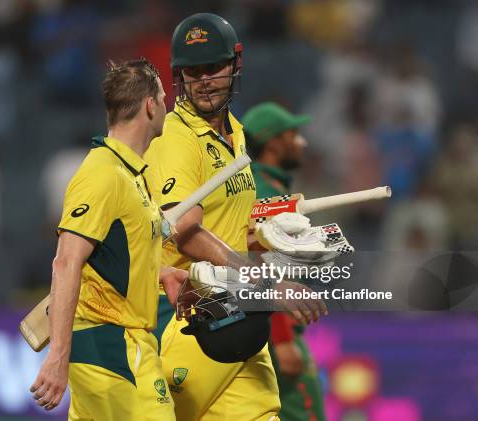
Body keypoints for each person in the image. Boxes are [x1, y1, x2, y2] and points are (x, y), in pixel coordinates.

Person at [145, 13, 325, 421]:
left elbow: (233, 232)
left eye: (214, 67)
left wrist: (274, 236)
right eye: (193, 71)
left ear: (235, 64)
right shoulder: (176, 139)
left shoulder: (237, 135)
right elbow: (186, 232)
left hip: (237, 313)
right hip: (186, 319)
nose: (204, 79)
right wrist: (267, 285)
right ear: (179, 76)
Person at [29, 58, 187, 420]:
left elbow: (116, 252)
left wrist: (160, 272)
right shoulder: (103, 174)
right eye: (163, 98)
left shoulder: (130, 173)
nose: (167, 105)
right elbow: (67, 261)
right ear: (150, 105)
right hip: (112, 344)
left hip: (118, 344)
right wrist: (57, 359)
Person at [243, 102, 326, 421]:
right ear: (274, 143)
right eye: (294, 134)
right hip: (276, 332)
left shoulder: (269, 186)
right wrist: (282, 340)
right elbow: (260, 263)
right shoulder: (264, 192)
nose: (302, 142)